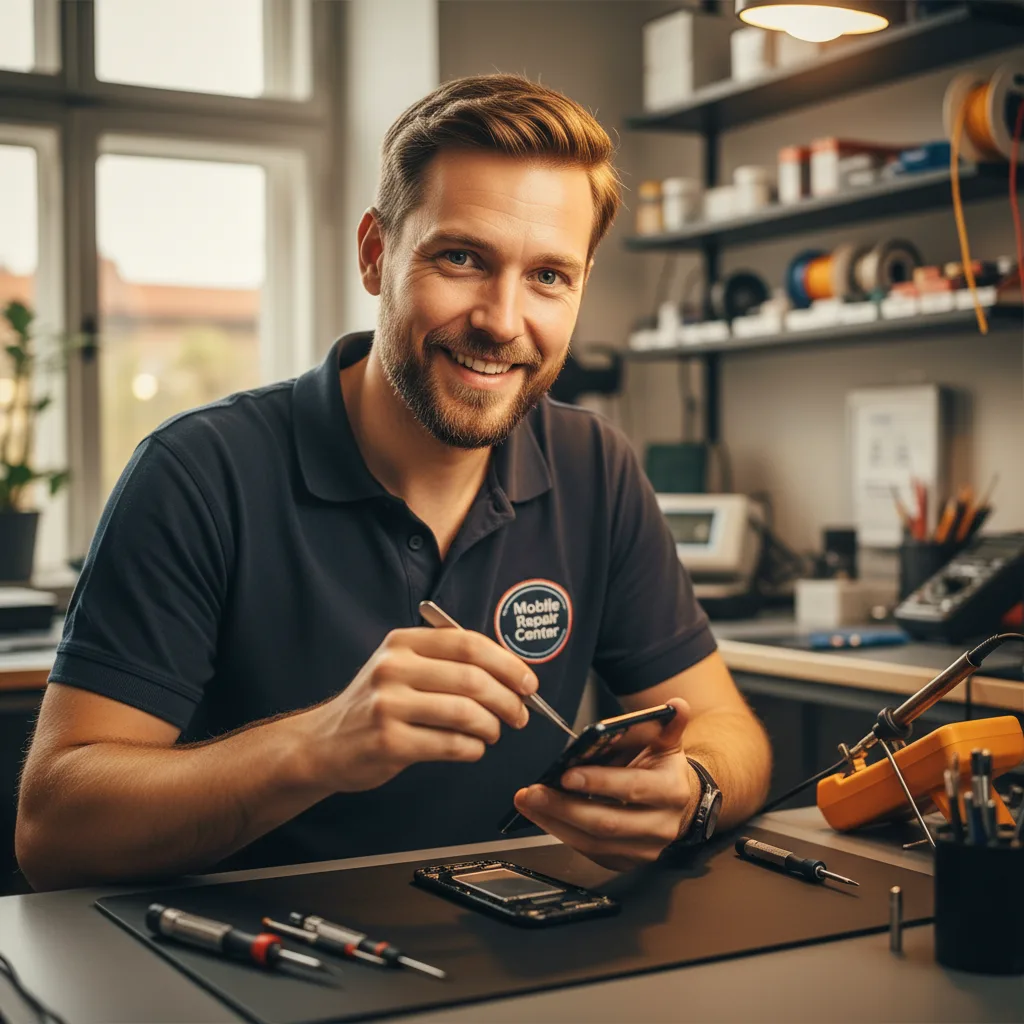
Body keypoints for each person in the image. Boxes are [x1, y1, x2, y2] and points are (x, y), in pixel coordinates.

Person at [16, 75, 771, 891]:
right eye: (461, 258)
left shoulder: (598, 468)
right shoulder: (197, 474)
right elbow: (54, 830)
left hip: (505, 945)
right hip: (244, 963)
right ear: (377, 255)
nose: (502, 320)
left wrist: (691, 791)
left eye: (549, 276)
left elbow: (732, 731)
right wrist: (319, 746)